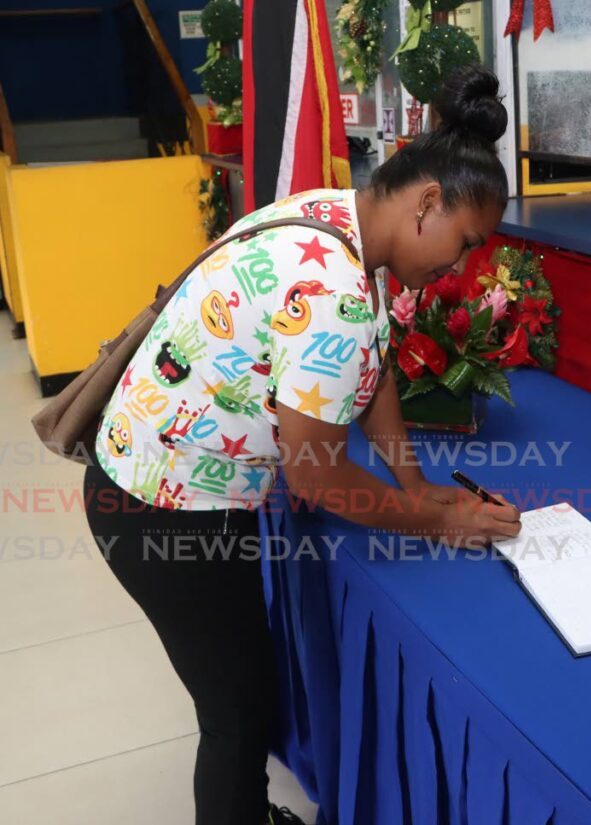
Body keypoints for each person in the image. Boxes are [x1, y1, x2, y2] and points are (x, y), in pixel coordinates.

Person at [82, 64, 521, 825]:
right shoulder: (337, 294)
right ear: (426, 203)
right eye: (465, 242)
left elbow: (375, 362)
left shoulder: (335, 218)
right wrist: (438, 520)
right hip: (162, 510)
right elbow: (316, 478)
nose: (462, 266)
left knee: (243, 688)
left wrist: (411, 482)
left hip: (150, 477)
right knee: (237, 710)